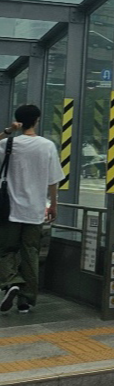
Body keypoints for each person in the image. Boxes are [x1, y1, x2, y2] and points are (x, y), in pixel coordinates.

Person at [0, 105, 64, 315]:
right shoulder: (47, 146)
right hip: (35, 211)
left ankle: (11, 282)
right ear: (37, 120)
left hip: (8, 211)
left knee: (5, 251)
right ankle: (25, 302)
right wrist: (53, 205)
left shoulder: (8, 143)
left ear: (17, 121)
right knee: (30, 254)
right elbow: (53, 180)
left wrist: (8, 131)